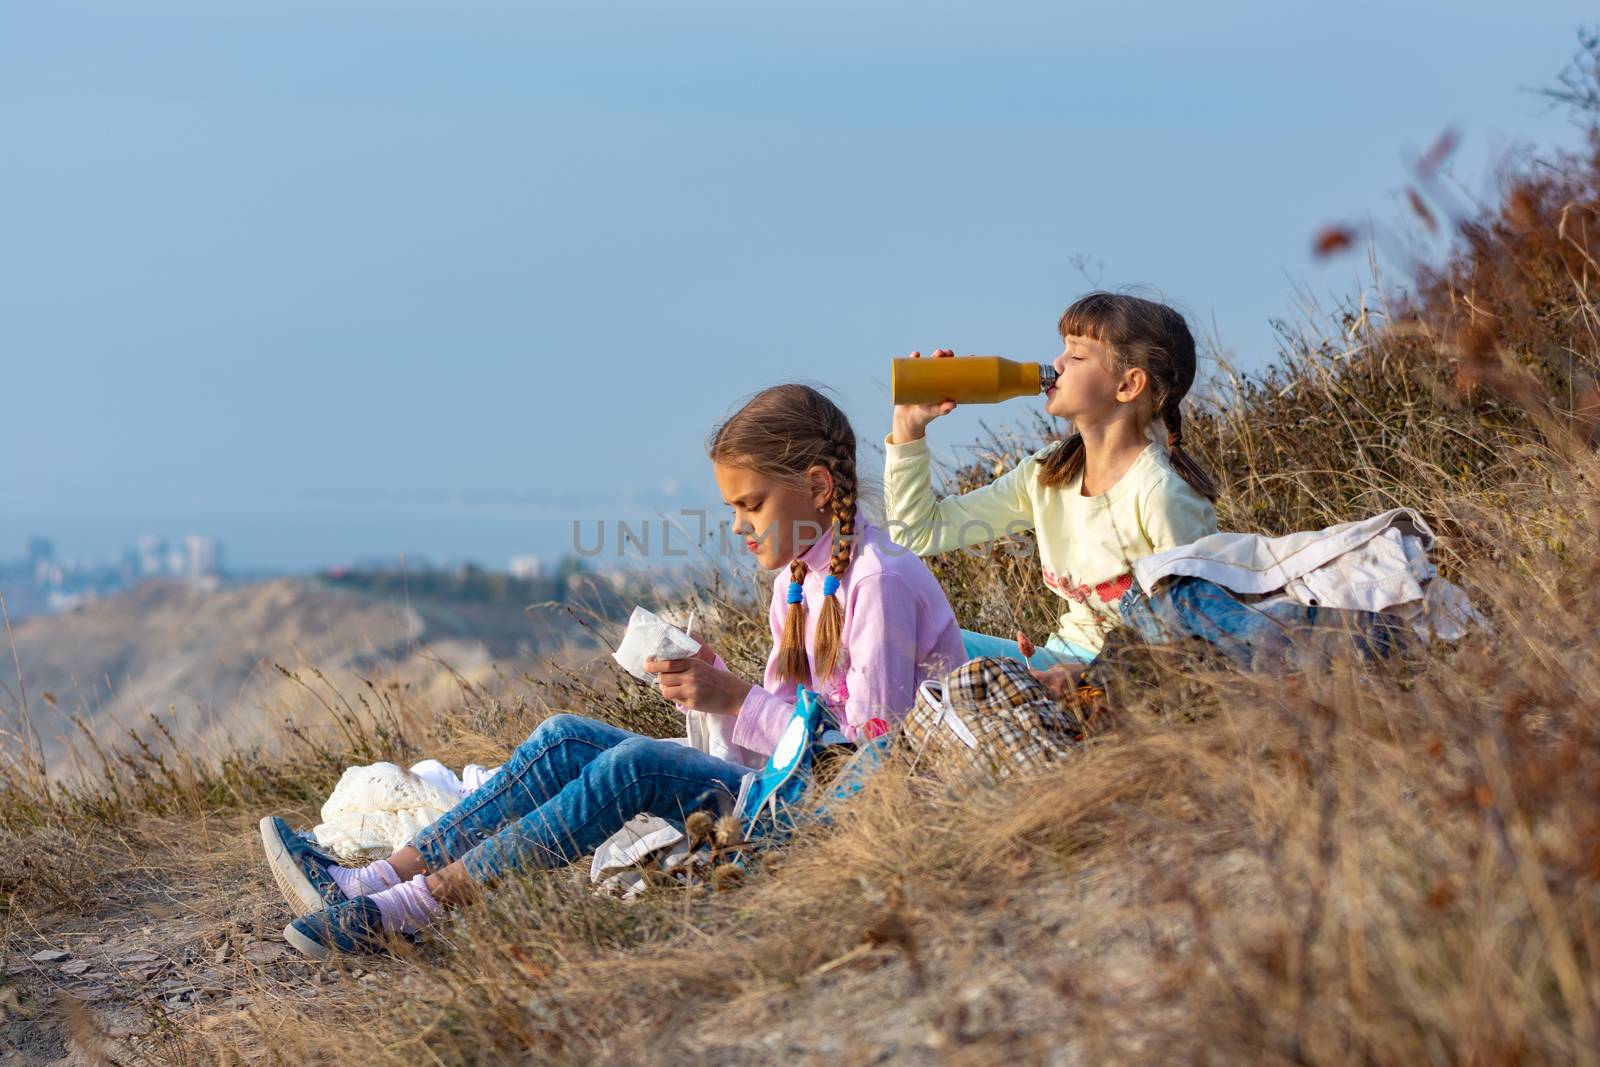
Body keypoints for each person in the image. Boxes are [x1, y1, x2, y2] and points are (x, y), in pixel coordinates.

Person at [262, 384, 967, 957]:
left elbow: (865, 755)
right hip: (784, 790)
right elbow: (775, 746)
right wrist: (717, 689)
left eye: (750, 503)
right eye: (732, 508)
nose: (739, 525)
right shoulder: (797, 582)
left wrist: (735, 696)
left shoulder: (877, 581)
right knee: (566, 735)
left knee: (632, 766)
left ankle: (411, 908)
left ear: (816, 486)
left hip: (838, 816)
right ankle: (375, 876)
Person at [884, 291, 1220, 696]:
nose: (1057, 364)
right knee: (914, 643)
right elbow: (918, 532)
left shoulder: (1160, 496)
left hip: (1120, 685)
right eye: (1062, 351)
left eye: (1077, 356)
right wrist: (909, 429)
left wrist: (1088, 679)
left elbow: (1194, 635)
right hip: (1054, 666)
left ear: (1129, 384)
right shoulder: (1048, 474)